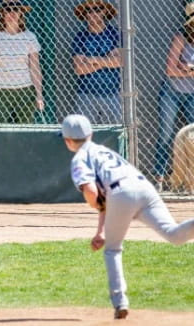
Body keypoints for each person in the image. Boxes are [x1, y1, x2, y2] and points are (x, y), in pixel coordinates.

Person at [61, 114, 194, 320]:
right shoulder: (104, 150)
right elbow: (107, 199)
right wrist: (101, 231)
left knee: (113, 250)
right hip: (144, 188)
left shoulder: (79, 158)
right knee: (174, 235)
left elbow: (92, 192)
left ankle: (120, 301)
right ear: (91, 134)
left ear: (67, 141)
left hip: (121, 194)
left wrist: (94, 203)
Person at [153, 2, 194, 192]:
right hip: (172, 92)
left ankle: (189, 181)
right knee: (166, 135)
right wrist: (188, 72)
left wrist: (186, 68)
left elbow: (181, 68)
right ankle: (159, 179)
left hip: (192, 93)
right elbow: (170, 70)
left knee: (192, 137)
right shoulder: (182, 36)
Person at [0, 0, 44, 124]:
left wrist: (39, 95)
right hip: (1, 90)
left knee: (25, 129)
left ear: (21, 13)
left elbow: (35, 67)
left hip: (25, 90)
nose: (12, 13)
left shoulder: (30, 37)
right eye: (8, 9)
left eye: (16, 9)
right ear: (2, 13)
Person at [72, 0, 122, 124]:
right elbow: (79, 69)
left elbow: (119, 61)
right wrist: (106, 60)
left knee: (112, 135)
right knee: (84, 133)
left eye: (98, 9)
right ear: (85, 14)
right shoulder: (80, 37)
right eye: (89, 10)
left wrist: (91, 60)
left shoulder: (115, 34)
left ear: (104, 11)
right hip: (86, 93)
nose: (93, 13)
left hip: (112, 92)